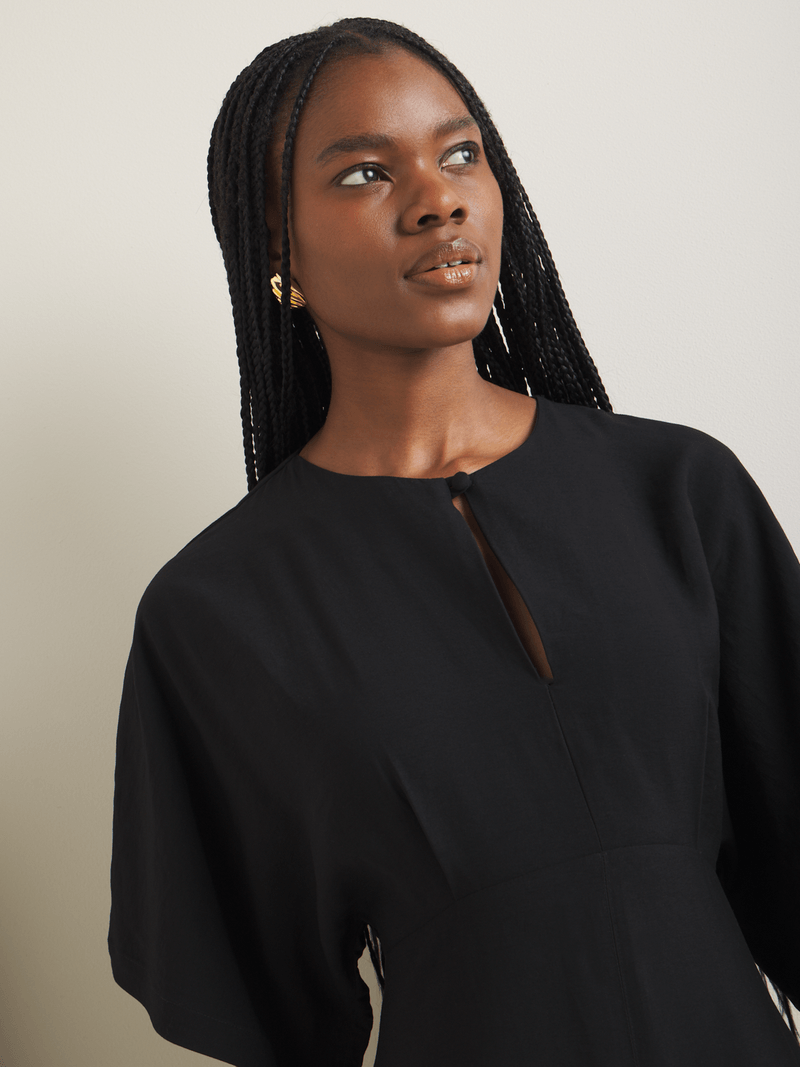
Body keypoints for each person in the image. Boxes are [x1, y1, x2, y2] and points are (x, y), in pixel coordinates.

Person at [108, 16, 800, 1067]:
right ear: (275, 247)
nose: (438, 198)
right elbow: (255, 995)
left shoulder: (680, 491)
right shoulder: (216, 609)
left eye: (460, 153)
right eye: (364, 173)